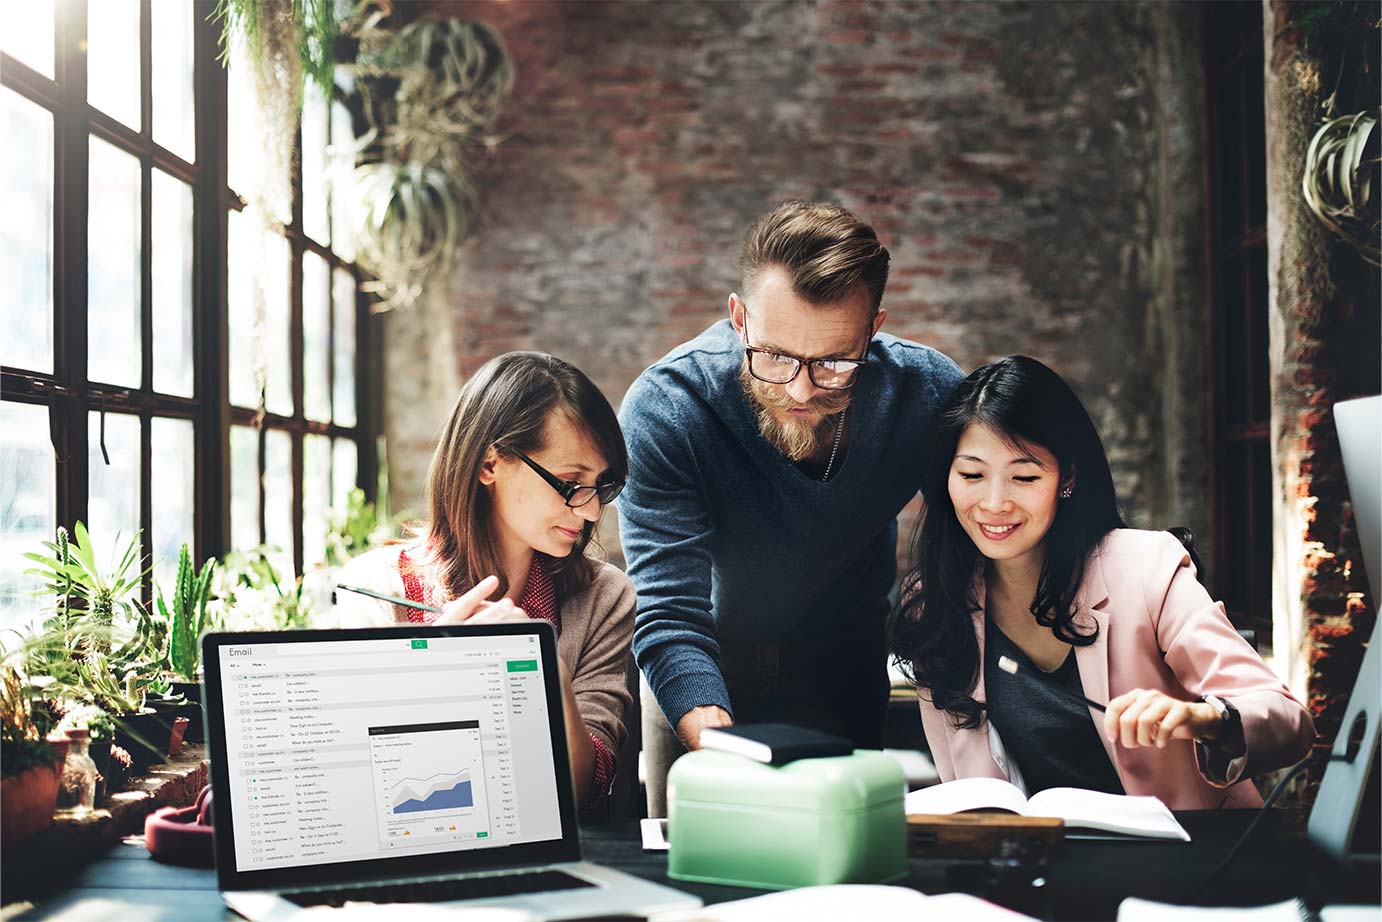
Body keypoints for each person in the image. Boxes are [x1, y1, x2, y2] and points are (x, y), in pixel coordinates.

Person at [619, 200, 965, 814]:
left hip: (844, 671)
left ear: (873, 329)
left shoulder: (927, 395)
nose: (800, 390)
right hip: (700, 670)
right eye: (775, 356)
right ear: (738, 318)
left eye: (834, 362)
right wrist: (717, 741)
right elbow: (669, 612)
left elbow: (983, 545)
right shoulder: (668, 410)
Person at [890, 355, 1315, 809]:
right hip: (1030, 865)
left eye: (1025, 476)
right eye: (972, 475)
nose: (994, 503)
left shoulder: (1145, 569)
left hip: (1186, 862)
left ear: (1066, 477)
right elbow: (966, 790)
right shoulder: (935, 601)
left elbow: (1290, 723)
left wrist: (1207, 718)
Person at [334, 352, 633, 815]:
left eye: (602, 485)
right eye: (572, 482)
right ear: (489, 464)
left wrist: (543, 666)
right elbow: (366, 786)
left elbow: (582, 791)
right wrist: (435, 670)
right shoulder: (375, 590)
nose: (593, 511)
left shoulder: (603, 597)